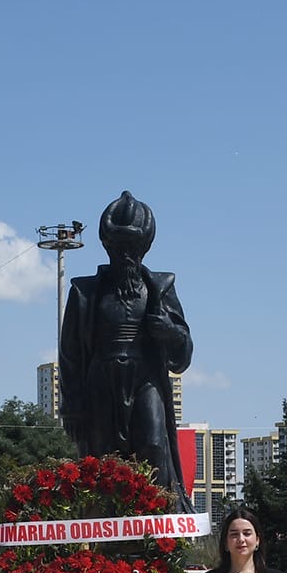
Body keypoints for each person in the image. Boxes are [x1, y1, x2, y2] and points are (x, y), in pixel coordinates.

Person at [57, 190, 196, 508]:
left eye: (132, 248)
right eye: (119, 247)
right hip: (101, 381)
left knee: (152, 444)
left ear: (144, 248)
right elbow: (69, 356)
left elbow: (183, 354)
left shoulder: (160, 288)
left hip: (146, 379)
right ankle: (108, 534)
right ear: (108, 246)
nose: (126, 255)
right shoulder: (85, 292)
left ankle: (160, 524)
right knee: (103, 457)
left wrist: (169, 332)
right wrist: (72, 406)